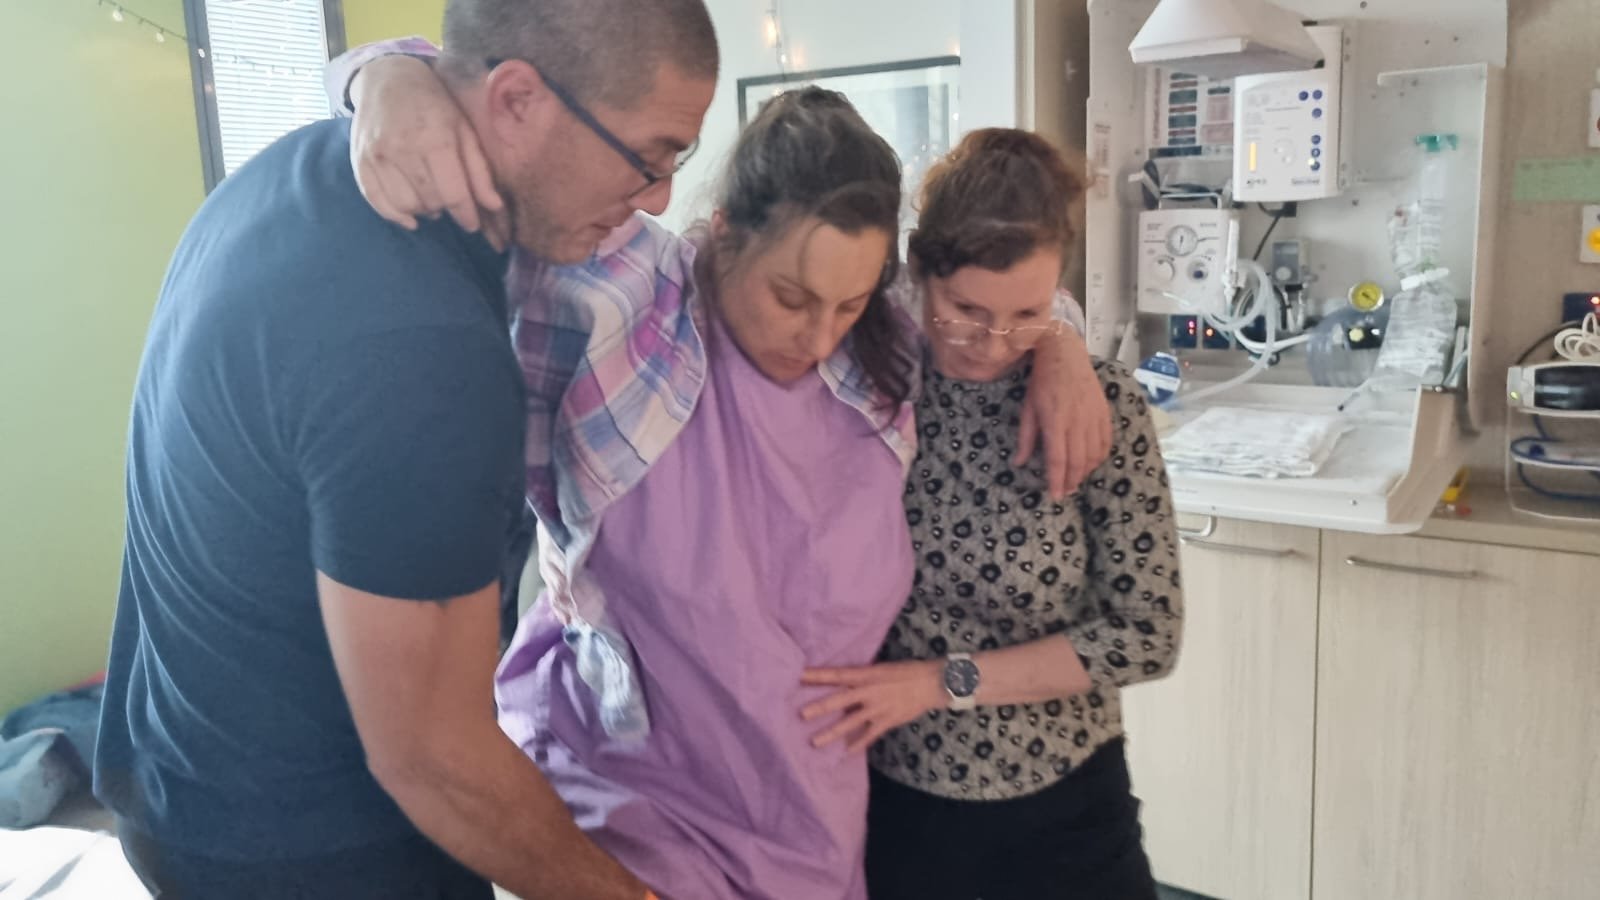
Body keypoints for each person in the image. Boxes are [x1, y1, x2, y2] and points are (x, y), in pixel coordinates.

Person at [329, 45, 1112, 900]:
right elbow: (497, 111)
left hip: (810, 819)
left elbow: (997, 303)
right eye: (790, 297)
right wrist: (382, 75)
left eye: (847, 304)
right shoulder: (628, 305)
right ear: (726, 233)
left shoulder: (882, 348)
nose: (818, 337)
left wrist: (1062, 345)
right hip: (631, 806)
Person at [94, 0, 718, 897]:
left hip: (178, 775)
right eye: (651, 155)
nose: (657, 196)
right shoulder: (418, 347)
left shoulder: (291, 171)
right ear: (515, 100)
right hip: (304, 848)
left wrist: (380, 72)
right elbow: (435, 759)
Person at [799, 129, 1184, 900]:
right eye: (966, 308)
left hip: (1069, 806)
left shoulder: (1101, 405)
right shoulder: (866, 380)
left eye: (1029, 313)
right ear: (915, 269)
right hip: (901, 809)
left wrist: (942, 682)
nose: (996, 341)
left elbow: (1148, 636)